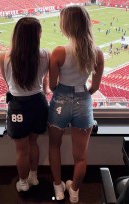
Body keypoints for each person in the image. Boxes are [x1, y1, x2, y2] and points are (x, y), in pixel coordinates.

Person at [48, 5, 104, 203]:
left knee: (54, 146)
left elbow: (52, 85)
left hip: (60, 101)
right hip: (83, 101)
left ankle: (58, 188)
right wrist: (82, 94)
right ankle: (74, 192)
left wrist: (65, 93)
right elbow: (94, 87)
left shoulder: (59, 52)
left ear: (66, 26)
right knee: (81, 156)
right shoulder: (97, 53)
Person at [0, 17, 50, 192]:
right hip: (38, 103)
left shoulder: (4, 56)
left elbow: (8, 83)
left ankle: (23, 182)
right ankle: (33, 176)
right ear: (37, 35)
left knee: (21, 149)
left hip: (18, 105)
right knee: (33, 143)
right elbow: (45, 83)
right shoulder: (45, 55)